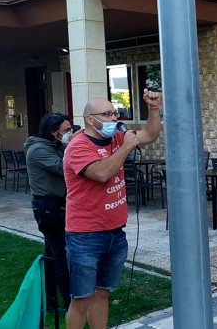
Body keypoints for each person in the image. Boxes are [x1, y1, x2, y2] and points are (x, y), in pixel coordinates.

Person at [63, 89, 162, 329]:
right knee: (81, 299)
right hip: (85, 236)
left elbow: (149, 134)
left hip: (115, 233)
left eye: (115, 113)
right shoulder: (78, 147)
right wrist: (126, 147)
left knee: (102, 293)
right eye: (107, 114)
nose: (114, 119)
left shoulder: (115, 139)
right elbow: (102, 173)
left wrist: (153, 108)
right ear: (90, 119)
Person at [24, 113, 81, 312]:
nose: (69, 133)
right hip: (48, 207)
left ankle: (49, 301)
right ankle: (69, 302)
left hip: (58, 204)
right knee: (61, 255)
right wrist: (73, 145)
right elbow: (64, 168)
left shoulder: (54, 146)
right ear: (53, 131)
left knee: (51, 254)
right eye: (66, 131)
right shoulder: (38, 150)